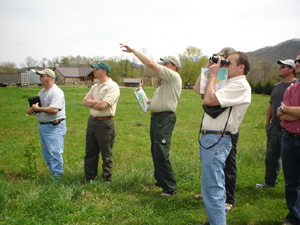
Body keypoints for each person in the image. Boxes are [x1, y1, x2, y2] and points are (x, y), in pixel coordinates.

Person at [120, 43, 182, 197]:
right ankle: (160, 182)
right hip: (158, 119)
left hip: (164, 119)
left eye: (165, 63)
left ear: (174, 67)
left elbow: (150, 63)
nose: (162, 65)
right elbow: (162, 100)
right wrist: (149, 102)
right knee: (155, 151)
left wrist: (133, 51)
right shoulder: (165, 81)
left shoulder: (172, 76)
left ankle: (170, 188)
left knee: (161, 152)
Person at [199, 52, 251, 225]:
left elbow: (209, 98)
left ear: (241, 67)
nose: (225, 65)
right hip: (211, 139)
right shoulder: (227, 82)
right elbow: (197, 88)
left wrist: (214, 75)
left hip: (217, 140)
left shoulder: (240, 85)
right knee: (212, 187)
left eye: (229, 62)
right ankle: (216, 219)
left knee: (213, 188)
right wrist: (209, 67)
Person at [194, 47, 238, 211]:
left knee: (228, 163)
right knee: (211, 165)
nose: (222, 62)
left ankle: (228, 198)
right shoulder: (216, 76)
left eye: (226, 59)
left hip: (226, 129)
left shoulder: (233, 80)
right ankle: (210, 194)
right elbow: (198, 88)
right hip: (212, 127)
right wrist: (209, 65)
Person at [256, 59, 297, 188]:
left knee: (290, 161)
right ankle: (269, 182)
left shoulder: (296, 87)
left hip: (290, 131)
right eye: (280, 66)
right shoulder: (277, 86)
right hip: (274, 128)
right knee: (271, 158)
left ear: (292, 69)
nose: (280, 68)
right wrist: (268, 124)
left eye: (283, 66)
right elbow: (271, 105)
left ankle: (293, 186)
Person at [82, 62, 120, 183]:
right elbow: (84, 102)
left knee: (106, 153)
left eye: (96, 69)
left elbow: (104, 105)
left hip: (105, 123)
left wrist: (93, 102)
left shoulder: (112, 86)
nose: (93, 71)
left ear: (103, 71)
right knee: (90, 152)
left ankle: (107, 179)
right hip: (92, 121)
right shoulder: (95, 86)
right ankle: (89, 178)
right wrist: (97, 102)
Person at [26, 69, 67, 179]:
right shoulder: (41, 92)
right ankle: (52, 173)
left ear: (49, 77)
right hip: (43, 126)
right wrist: (31, 110)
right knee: (46, 152)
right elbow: (39, 108)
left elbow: (54, 110)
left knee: (55, 152)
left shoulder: (56, 92)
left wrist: (38, 108)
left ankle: (58, 177)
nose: (39, 78)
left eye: (42, 76)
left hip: (54, 126)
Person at [277, 52, 300, 225]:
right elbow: (280, 113)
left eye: (299, 61)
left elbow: (285, 111)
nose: (297, 63)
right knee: (291, 182)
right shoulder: (291, 88)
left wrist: (287, 110)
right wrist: (291, 112)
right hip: (289, 138)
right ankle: (293, 218)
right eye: (297, 60)